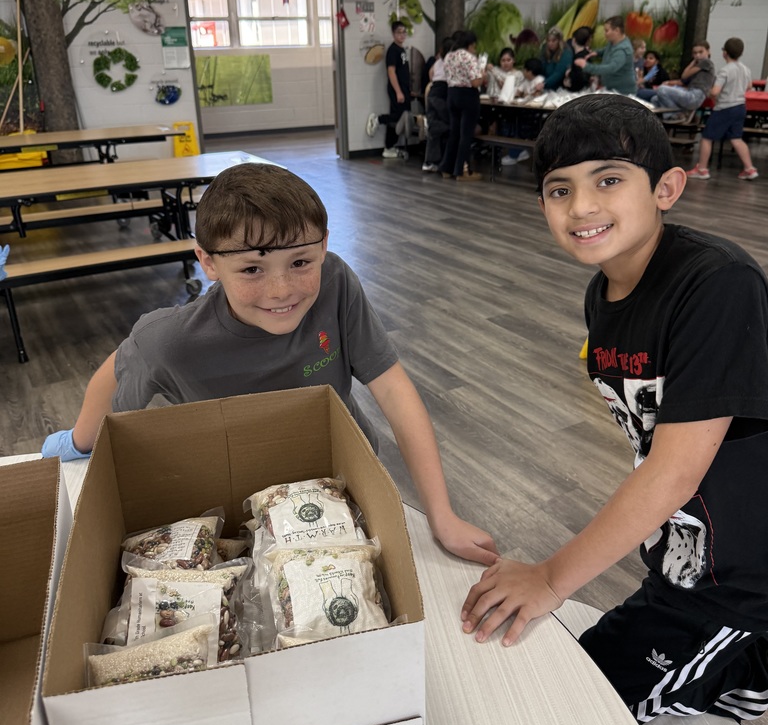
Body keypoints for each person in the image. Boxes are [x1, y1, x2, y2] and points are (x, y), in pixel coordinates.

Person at [461, 94, 768, 725]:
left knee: (579, 712)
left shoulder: (717, 283)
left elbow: (674, 470)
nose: (582, 207)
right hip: (685, 564)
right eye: (558, 189)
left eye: (608, 180)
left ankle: (749, 668)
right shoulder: (602, 291)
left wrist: (550, 579)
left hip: (743, 588)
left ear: (667, 187)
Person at [41, 163, 498, 566]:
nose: (281, 290)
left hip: (344, 478)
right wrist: (81, 440)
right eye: (253, 269)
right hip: (239, 502)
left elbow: (394, 390)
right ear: (207, 263)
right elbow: (119, 366)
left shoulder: (336, 282)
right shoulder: (173, 339)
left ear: (324, 248)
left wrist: (441, 514)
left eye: (301, 262)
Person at [687, 37, 758, 181]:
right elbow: (749, 86)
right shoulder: (746, 69)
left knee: (707, 137)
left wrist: (710, 93)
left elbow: (715, 92)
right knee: (736, 138)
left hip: (724, 108)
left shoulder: (724, 71)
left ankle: (702, 169)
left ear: (724, 53)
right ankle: (749, 169)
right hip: (740, 107)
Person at [439, 29, 486, 181]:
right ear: (470, 44)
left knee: (454, 133)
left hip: (452, 94)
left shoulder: (448, 56)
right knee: (466, 135)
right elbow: (475, 82)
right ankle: (462, 170)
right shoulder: (469, 57)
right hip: (468, 96)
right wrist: (483, 74)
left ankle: (446, 167)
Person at [367, 20, 412, 159]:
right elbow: (391, 72)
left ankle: (389, 147)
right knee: (400, 116)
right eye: (399, 32)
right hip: (397, 90)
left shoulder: (402, 49)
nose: (402, 35)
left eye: (404, 32)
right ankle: (378, 119)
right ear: (393, 34)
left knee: (398, 120)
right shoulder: (393, 50)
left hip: (404, 89)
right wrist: (398, 91)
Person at [647, 41, 715, 116]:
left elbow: (684, 75)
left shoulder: (706, 63)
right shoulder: (698, 68)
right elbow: (683, 81)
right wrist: (668, 83)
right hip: (689, 92)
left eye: (700, 52)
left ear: (708, 51)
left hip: (695, 95)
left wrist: (692, 62)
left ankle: (676, 115)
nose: (698, 55)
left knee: (661, 89)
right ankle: (664, 119)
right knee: (655, 99)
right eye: (695, 53)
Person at [574, 16, 636, 96]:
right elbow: (607, 49)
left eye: (607, 31)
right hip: (612, 90)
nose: (605, 34)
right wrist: (597, 53)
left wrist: (587, 66)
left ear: (617, 30)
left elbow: (610, 68)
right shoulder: (613, 42)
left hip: (623, 93)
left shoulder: (622, 50)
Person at [540, 26, 573, 91]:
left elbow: (559, 73)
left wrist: (544, 83)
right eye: (548, 41)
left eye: (553, 41)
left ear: (559, 41)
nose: (550, 43)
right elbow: (541, 66)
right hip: (544, 84)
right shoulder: (545, 49)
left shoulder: (566, 53)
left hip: (559, 88)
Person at [562, 26, 593, 93]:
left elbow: (579, 77)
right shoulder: (587, 54)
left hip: (577, 92)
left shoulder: (578, 58)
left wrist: (569, 74)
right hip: (586, 90)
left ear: (574, 40)